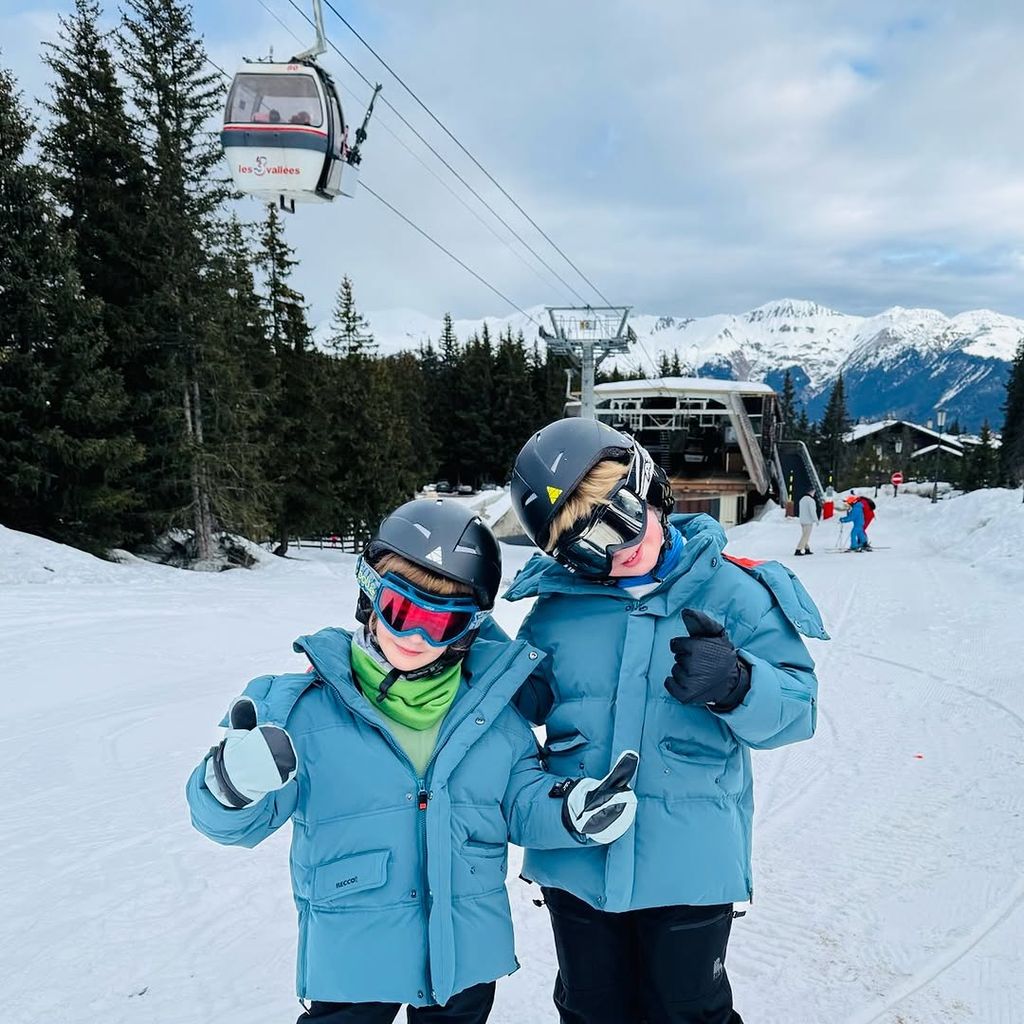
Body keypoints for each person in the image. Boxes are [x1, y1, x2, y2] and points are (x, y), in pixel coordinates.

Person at [186, 498, 639, 1024]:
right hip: (355, 954)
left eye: (441, 623)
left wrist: (570, 810)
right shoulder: (299, 710)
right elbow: (227, 824)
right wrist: (231, 785)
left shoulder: (491, 713)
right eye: (402, 612)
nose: (415, 638)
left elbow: (519, 800)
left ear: (468, 631)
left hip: (463, 953)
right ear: (370, 596)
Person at [505, 418, 828, 1024]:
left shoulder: (736, 592)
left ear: (650, 488)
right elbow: (522, 709)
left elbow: (798, 711)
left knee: (688, 1009)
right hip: (579, 855)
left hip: (690, 858)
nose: (616, 547)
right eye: (584, 545)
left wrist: (738, 684)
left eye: (619, 517)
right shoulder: (556, 613)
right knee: (590, 1007)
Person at [795, 485, 819, 555]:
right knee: (805, 536)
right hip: (808, 521)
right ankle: (798, 549)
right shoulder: (811, 500)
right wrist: (816, 520)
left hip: (802, 520)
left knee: (805, 535)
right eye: (814, 492)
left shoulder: (802, 499)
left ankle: (807, 548)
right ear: (811, 492)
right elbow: (812, 511)